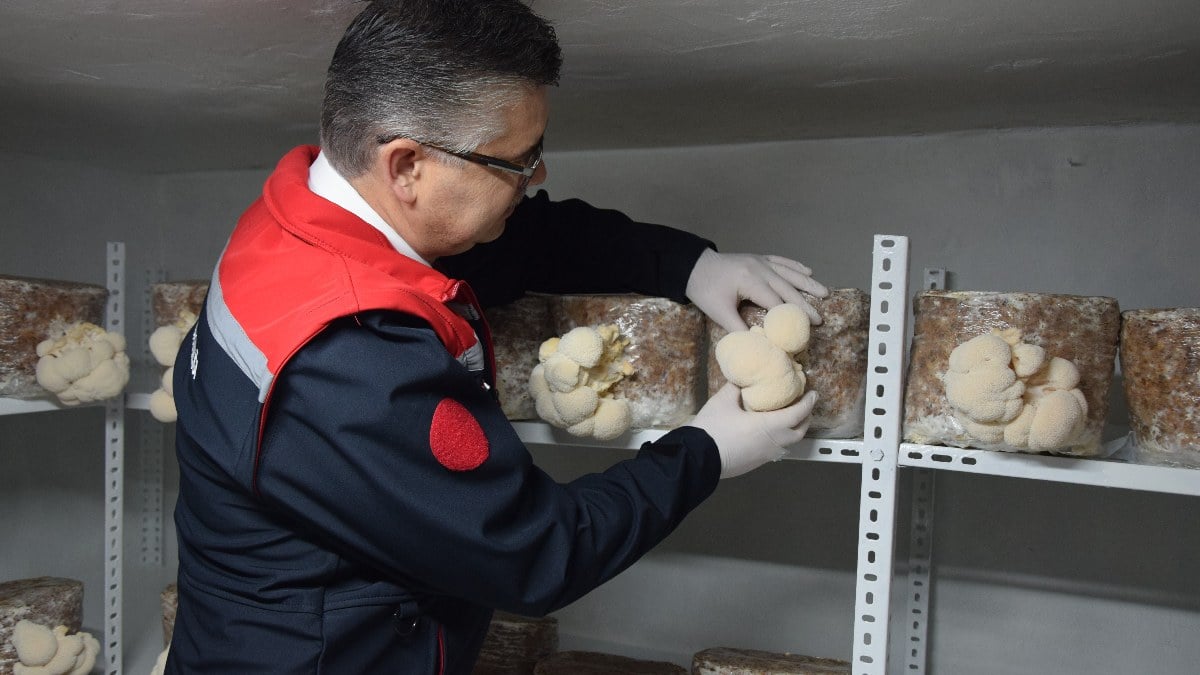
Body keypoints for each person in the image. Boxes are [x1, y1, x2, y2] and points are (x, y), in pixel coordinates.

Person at [165, 1, 828, 672]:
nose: (537, 175)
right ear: (407, 167)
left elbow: (522, 239)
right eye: (516, 162)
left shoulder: (300, 218)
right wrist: (707, 452)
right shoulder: (350, 358)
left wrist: (688, 264)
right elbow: (536, 551)